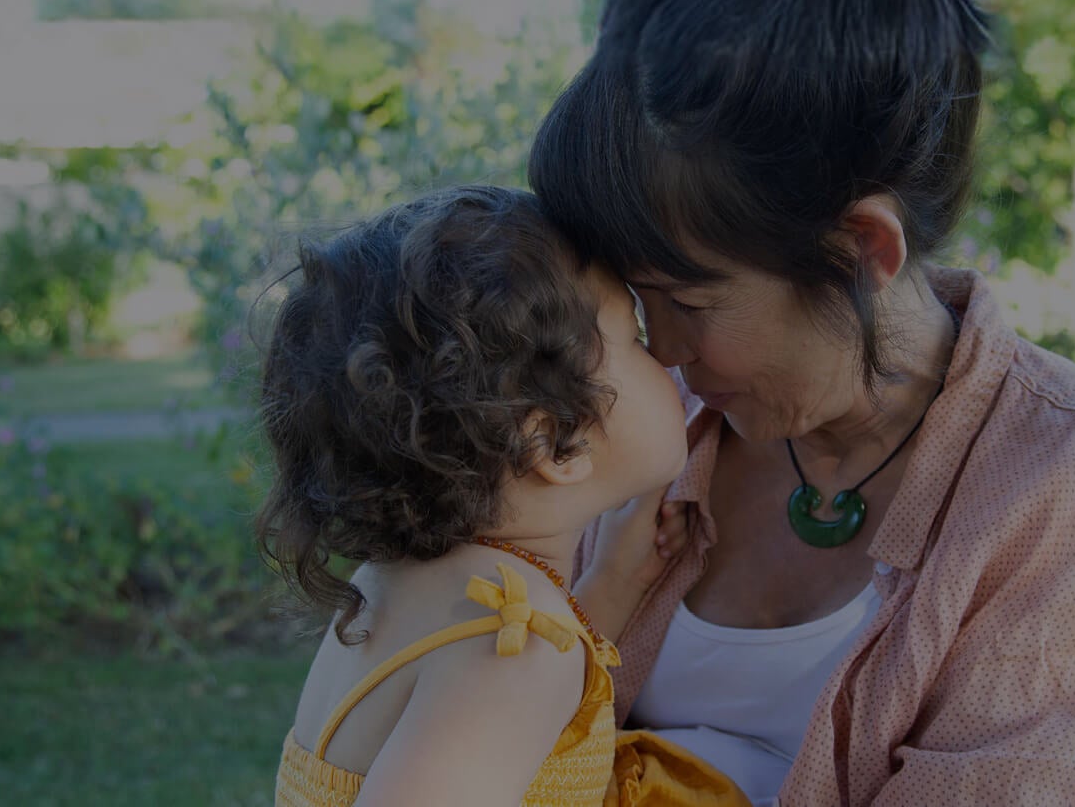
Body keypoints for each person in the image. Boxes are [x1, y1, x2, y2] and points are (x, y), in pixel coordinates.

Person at [531, 0, 1075, 804]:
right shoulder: (646, 420)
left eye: (684, 298)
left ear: (862, 249)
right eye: (634, 293)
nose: (655, 345)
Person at [256, 185, 742, 807]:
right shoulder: (514, 647)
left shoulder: (397, 588)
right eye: (635, 338)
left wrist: (616, 579)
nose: (668, 358)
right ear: (554, 443)